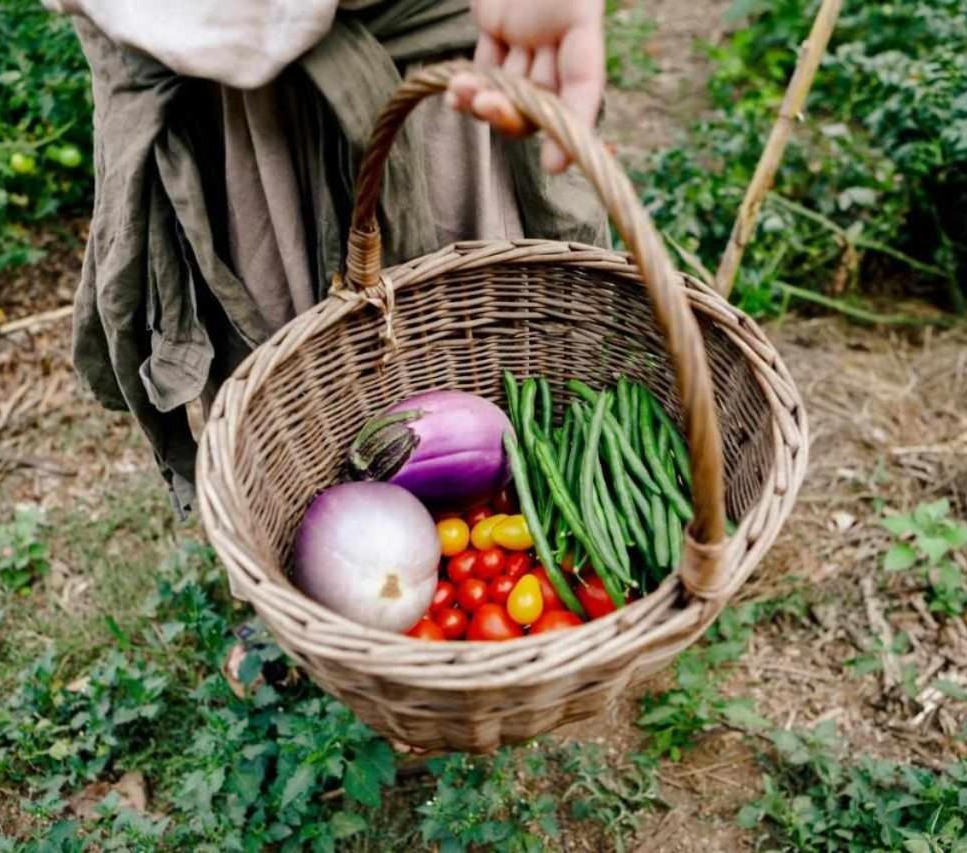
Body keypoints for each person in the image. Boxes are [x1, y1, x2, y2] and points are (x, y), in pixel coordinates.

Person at [41, 0, 610, 513]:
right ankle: (332, 591)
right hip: (234, 100)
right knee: (300, 423)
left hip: (447, 62)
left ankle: (506, 551)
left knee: (503, 374)